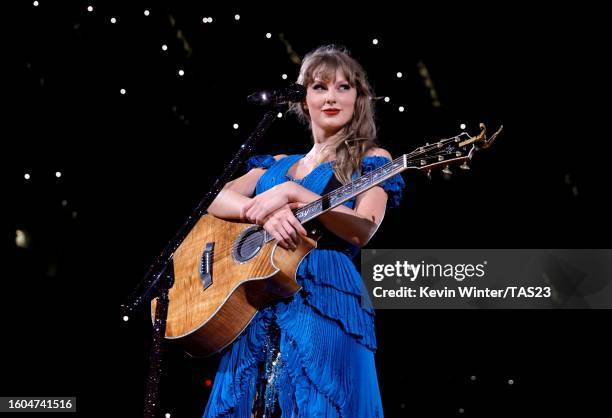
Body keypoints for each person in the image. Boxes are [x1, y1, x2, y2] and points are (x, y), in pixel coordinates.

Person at [203, 44, 405, 417]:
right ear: (302, 98)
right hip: (255, 296)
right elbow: (214, 200)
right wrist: (260, 213)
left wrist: (295, 192)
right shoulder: (276, 163)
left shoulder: (373, 159)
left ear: (359, 98)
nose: (331, 97)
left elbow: (364, 230)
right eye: (319, 86)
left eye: (344, 87)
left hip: (324, 291)